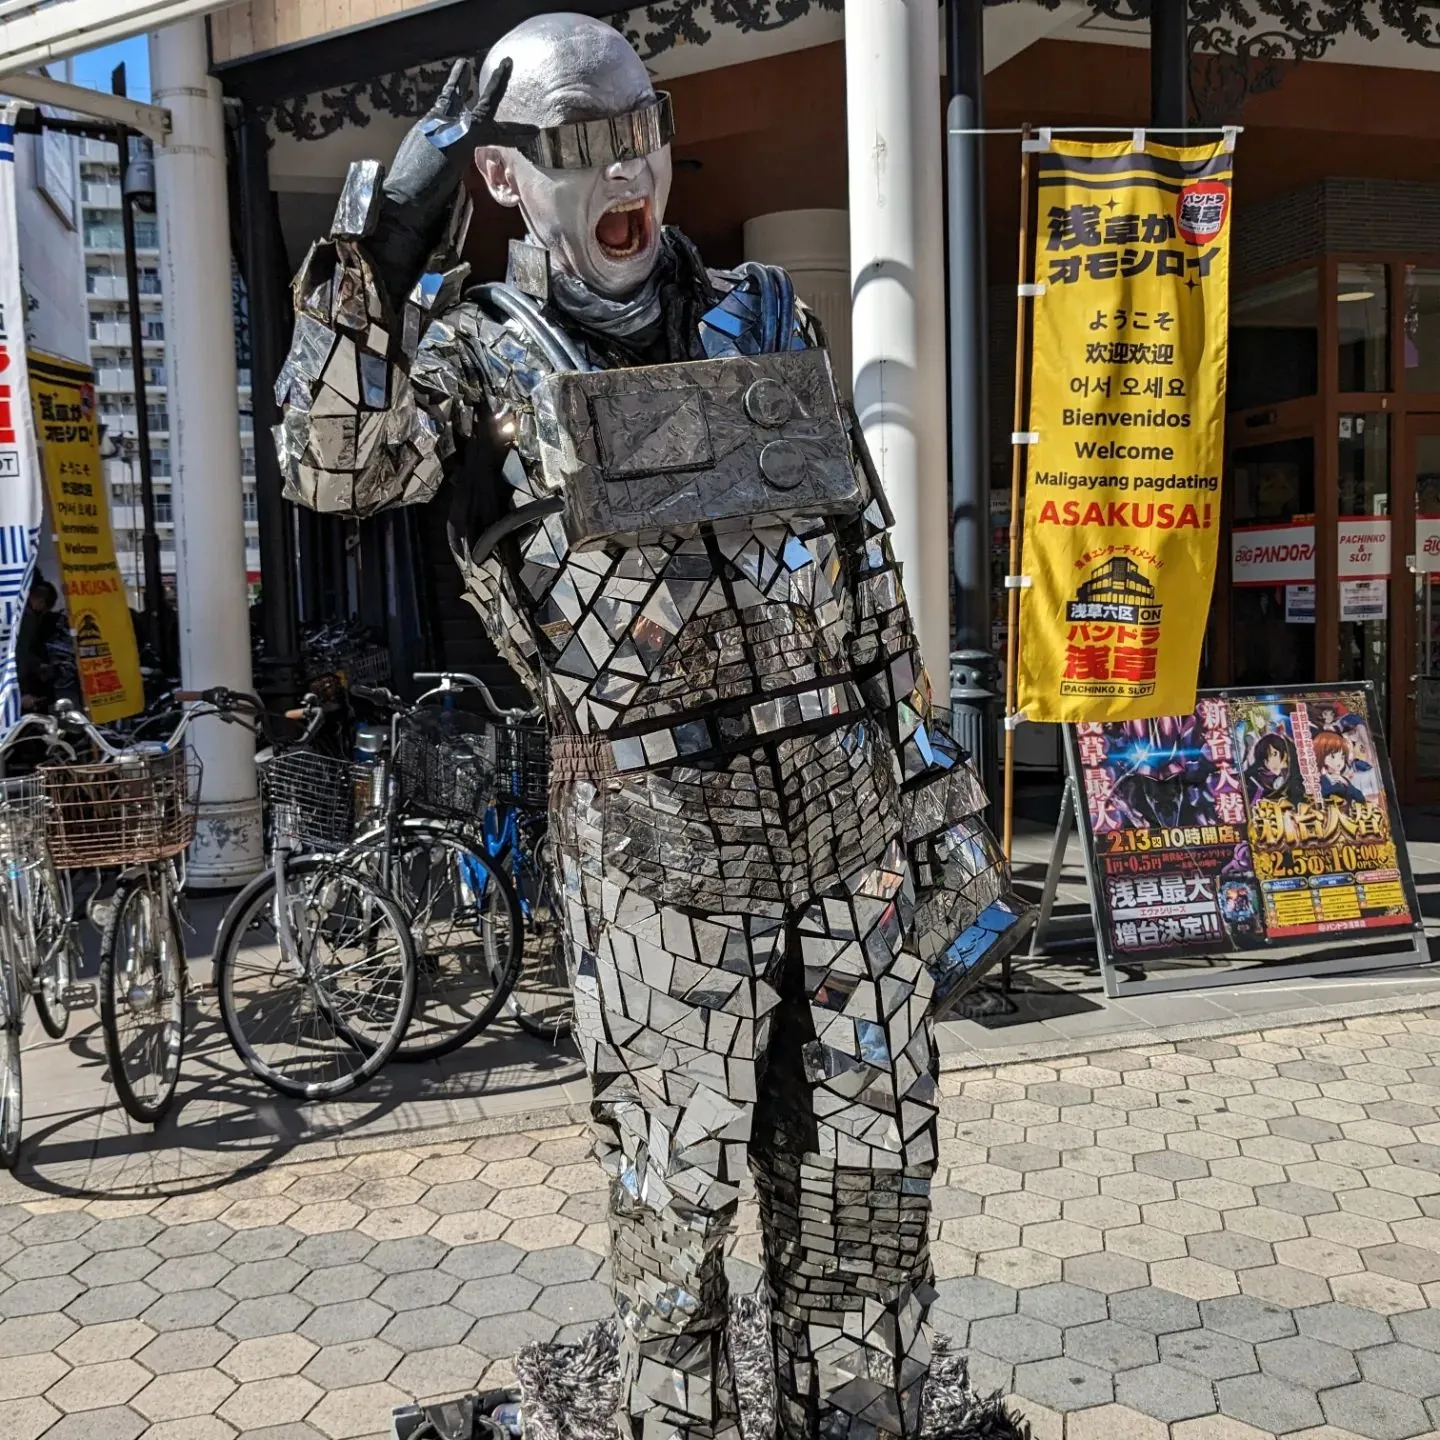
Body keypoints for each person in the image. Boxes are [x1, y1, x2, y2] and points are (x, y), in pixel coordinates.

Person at [273, 17, 1024, 1437]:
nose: (628, 168)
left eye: (643, 129)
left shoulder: (760, 313)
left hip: (845, 812)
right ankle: (672, 1421)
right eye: (578, 145)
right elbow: (329, 467)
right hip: (652, 837)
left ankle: (853, 1411)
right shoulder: (475, 359)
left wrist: (935, 807)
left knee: (868, 1169)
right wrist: (372, 257)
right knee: (676, 1188)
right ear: (503, 182)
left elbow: (859, 565)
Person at [1313, 730, 1366, 804]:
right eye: (1333, 756)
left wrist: (1345, 783)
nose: (1339, 762)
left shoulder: (1343, 780)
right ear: (1321, 756)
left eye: (1342, 757)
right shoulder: (1320, 780)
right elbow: (1327, 795)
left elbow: (1360, 798)